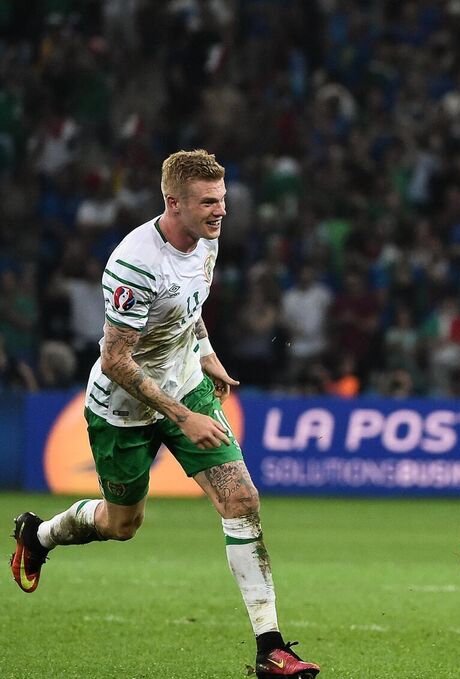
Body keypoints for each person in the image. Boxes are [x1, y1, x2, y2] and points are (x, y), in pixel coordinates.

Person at [8, 150, 320, 679]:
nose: (220, 211)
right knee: (121, 523)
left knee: (242, 500)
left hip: (187, 388)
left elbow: (190, 309)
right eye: (208, 202)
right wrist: (182, 417)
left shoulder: (208, 241)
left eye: (222, 200)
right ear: (172, 202)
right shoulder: (134, 263)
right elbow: (115, 359)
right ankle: (38, 536)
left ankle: (270, 648)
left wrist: (208, 356)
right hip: (124, 410)